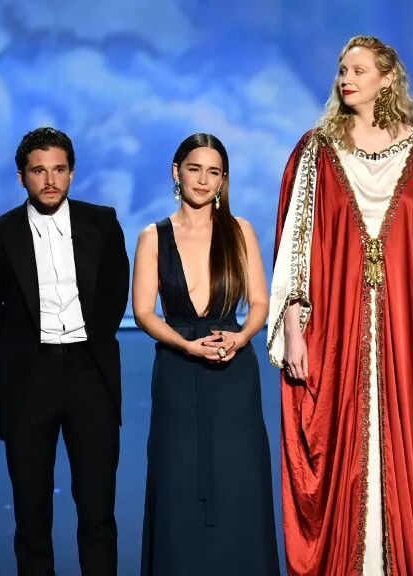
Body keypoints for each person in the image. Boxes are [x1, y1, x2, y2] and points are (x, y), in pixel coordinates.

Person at [269, 35, 413, 576]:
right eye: (342, 69)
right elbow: (297, 245)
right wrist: (294, 328)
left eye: (359, 70)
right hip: (335, 326)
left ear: (387, 78)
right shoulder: (316, 150)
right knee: (335, 446)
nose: (346, 78)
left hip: (406, 326)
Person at [0, 127, 130, 575]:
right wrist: (21, 351)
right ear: (21, 176)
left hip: (90, 372)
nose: (50, 180)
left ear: (72, 173)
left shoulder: (103, 223)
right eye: (39, 171)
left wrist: (89, 342)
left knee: (98, 509)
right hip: (28, 377)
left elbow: (114, 293)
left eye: (59, 169)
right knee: (31, 512)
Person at [132, 133, 279, 575]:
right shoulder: (153, 237)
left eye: (213, 172)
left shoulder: (240, 231)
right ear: (176, 172)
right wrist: (185, 345)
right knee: (176, 477)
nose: (203, 179)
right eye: (194, 169)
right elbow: (143, 311)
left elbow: (260, 302)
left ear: (223, 180)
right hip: (177, 369)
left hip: (233, 369)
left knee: (239, 476)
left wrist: (241, 338)